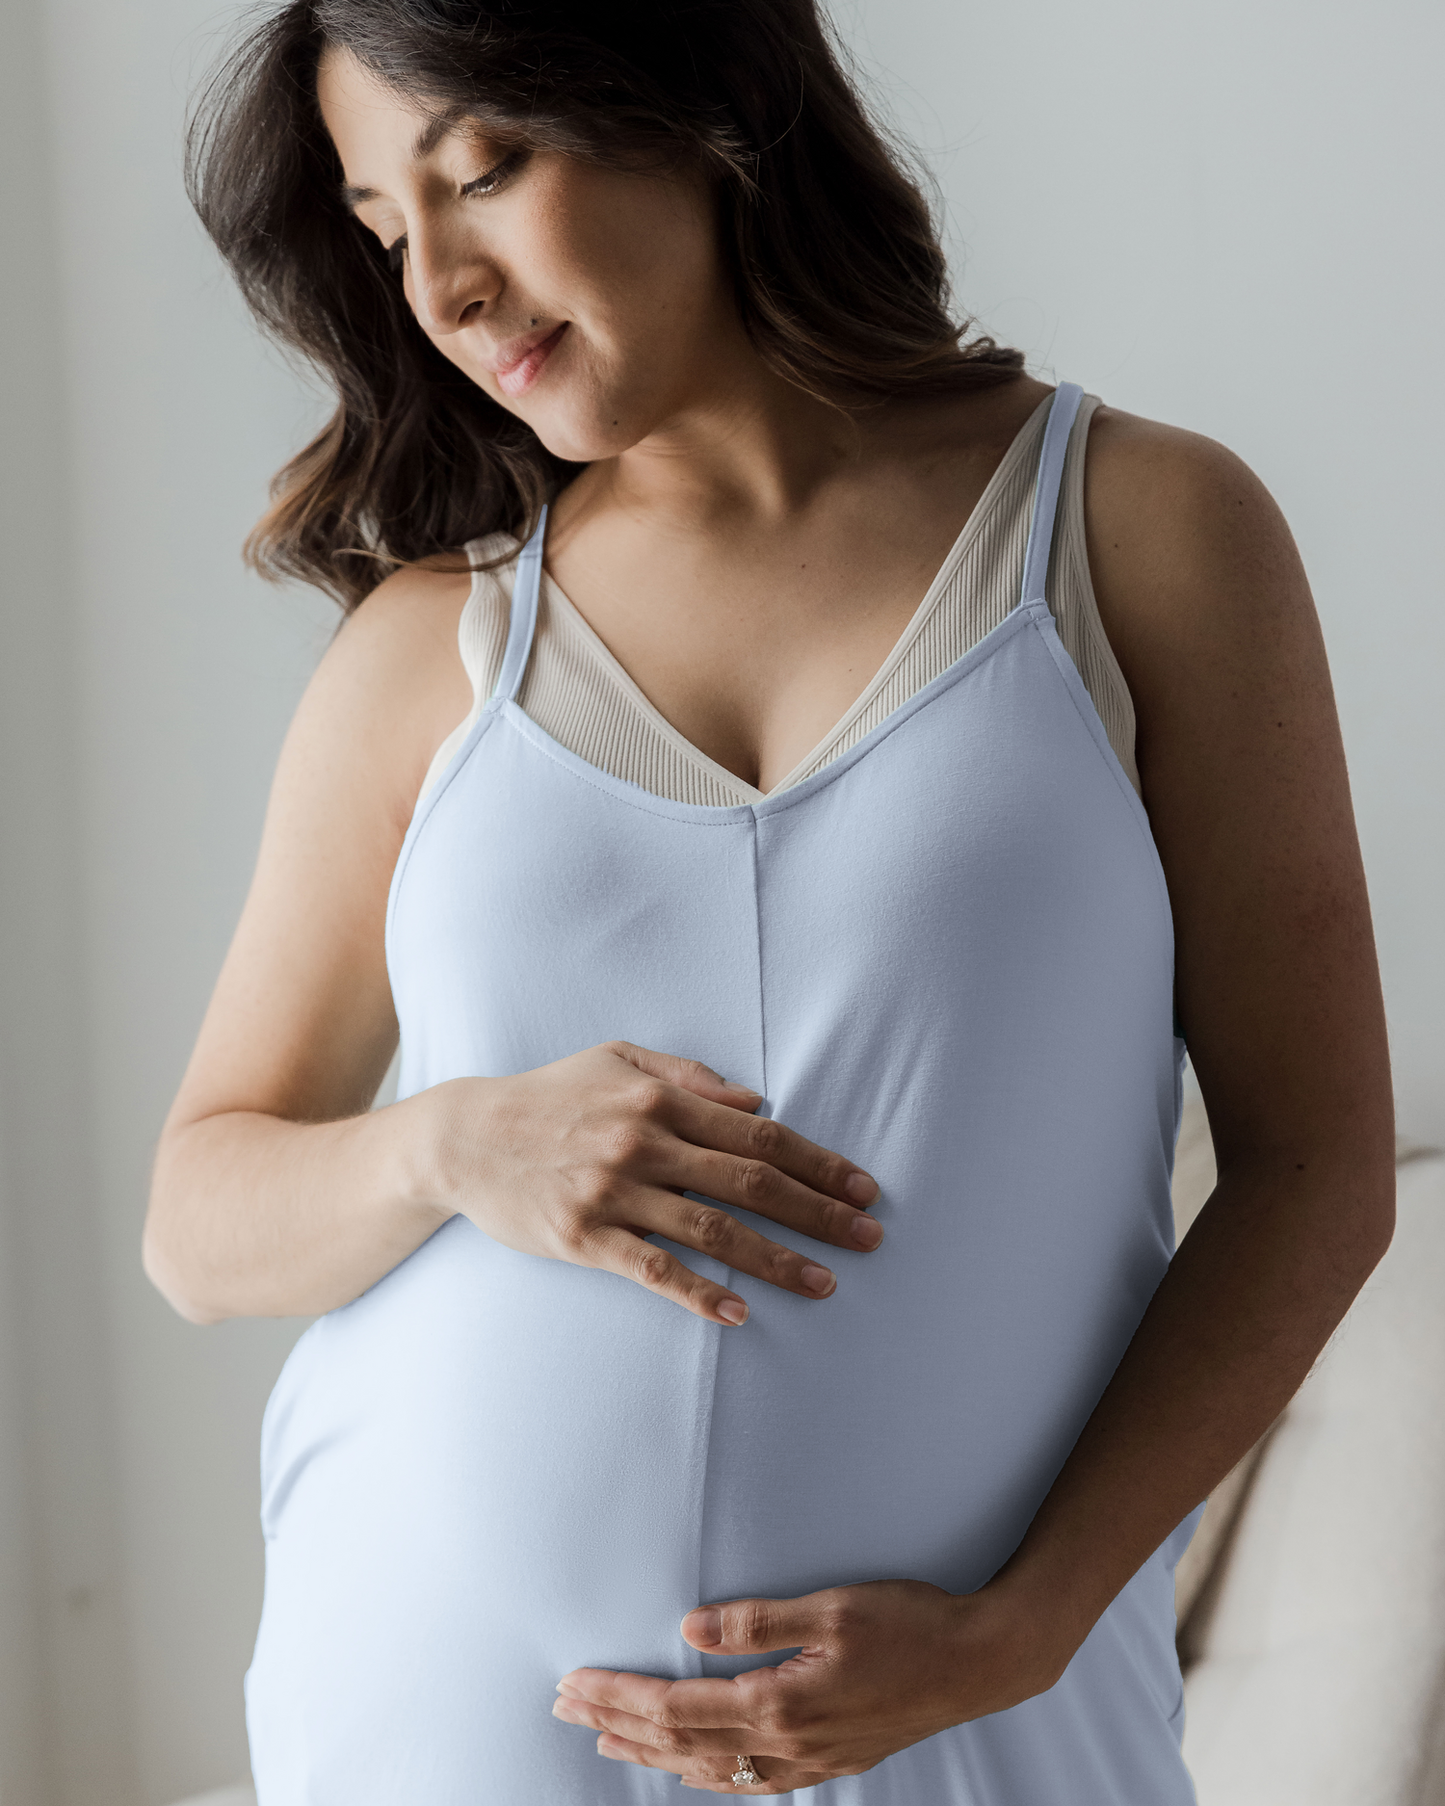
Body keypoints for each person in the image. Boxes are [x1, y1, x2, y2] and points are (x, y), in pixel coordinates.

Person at [144, 1, 1396, 1799]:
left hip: (972, 1712)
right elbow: (198, 1216)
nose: (446, 285)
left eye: (482, 171)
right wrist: (451, 1146)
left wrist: (1023, 1624)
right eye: (384, 228)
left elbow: (1315, 1169)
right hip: (441, 1703)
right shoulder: (439, 650)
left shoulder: (1141, 537)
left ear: (698, 94)